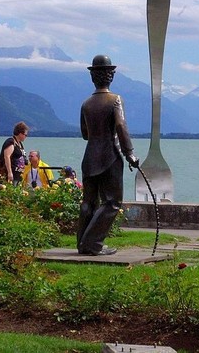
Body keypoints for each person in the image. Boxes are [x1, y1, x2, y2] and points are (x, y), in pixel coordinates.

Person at [76, 54, 139, 256]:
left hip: (89, 157)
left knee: (89, 201)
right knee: (112, 202)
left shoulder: (86, 104)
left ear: (93, 77)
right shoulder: (115, 100)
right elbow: (121, 126)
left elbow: (85, 134)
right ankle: (92, 244)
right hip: (109, 156)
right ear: (110, 76)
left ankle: (82, 244)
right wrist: (130, 154)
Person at [0, 121, 29, 185]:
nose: (26, 137)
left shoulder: (19, 144)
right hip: (9, 174)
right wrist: (10, 172)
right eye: (25, 135)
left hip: (18, 175)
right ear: (20, 133)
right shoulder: (11, 142)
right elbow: (7, 157)